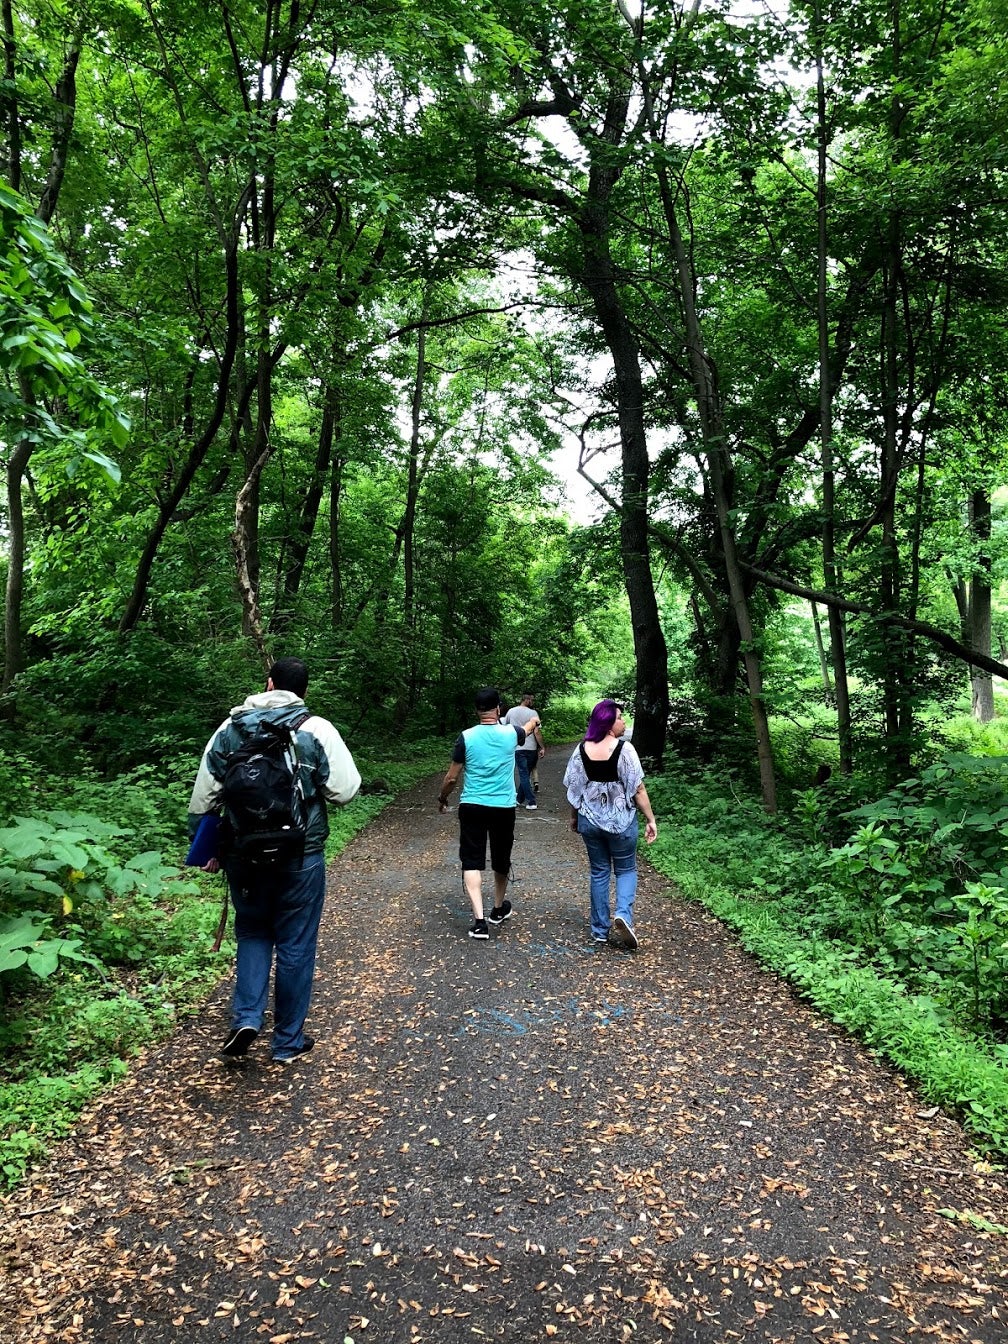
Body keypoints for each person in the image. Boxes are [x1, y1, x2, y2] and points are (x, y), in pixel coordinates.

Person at [188, 657, 361, 1063]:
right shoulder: (314, 729)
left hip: (243, 854)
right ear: (304, 690)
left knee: (251, 932)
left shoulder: (230, 729)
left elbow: (204, 797)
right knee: (296, 943)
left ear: (268, 684)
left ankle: (246, 1018)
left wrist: (207, 846)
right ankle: (286, 1042)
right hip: (300, 855)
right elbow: (345, 790)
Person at [438, 686, 540, 939]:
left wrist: (442, 798)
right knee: (501, 856)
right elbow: (527, 730)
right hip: (503, 807)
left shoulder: (466, 737)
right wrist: (534, 720)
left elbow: (451, 777)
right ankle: (497, 908)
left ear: (477, 710)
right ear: (498, 708)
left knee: (472, 859)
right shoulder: (510, 734)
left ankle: (479, 921)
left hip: (472, 805)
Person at [563, 699, 657, 950]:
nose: (624, 722)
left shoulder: (581, 749)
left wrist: (574, 816)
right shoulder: (625, 750)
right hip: (622, 823)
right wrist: (650, 819)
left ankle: (599, 930)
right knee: (626, 869)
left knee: (599, 871)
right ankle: (623, 915)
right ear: (607, 723)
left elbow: (575, 789)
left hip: (590, 822)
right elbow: (638, 789)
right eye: (619, 718)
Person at [502, 691, 544, 810]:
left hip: (518, 747)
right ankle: (531, 801)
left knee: (524, 774)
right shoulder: (533, 713)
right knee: (525, 774)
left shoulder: (511, 711)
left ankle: (519, 799)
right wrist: (542, 747)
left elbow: (506, 727)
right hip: (531, 748)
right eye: (531, 700)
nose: (532, 702)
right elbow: (536, 731)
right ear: (526, 700)